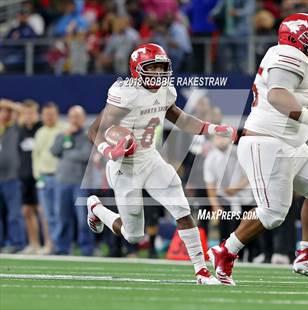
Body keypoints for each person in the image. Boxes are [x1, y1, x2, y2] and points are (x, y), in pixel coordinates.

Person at [87, 43, 236, 284]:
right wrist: (109, 150)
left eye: (161, 68)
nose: (157, 74)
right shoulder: (125, 92)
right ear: (137, 70)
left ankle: (201, 271)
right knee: (133, 236)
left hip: (151, 157)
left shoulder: (166, 90)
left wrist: (211, 128)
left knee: (182, 210)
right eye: (151, 68)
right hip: (124, 165)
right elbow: (94, 130)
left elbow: (181, 119)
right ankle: (95, 208)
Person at [207, 13, 308, 285]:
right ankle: (224, 252)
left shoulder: (294, 58)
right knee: (273, 213)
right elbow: (277, 95)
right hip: (267, 142)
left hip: (290, 143)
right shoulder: (287, 54)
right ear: (294, 38)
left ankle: (307, 255)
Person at [50, 105, 95, 255]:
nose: (74, 120)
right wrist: (65, 137)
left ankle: (86, 249)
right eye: (72, 116)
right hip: (62, 181)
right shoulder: (62, 135)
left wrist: (67, 152)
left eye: (78, 116)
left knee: (83, 219)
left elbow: (84, 156)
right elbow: (54, 151)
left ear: (83, 119)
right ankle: (62, 248)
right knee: (62, 218)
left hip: (79, 183)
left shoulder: (87, 136)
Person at [32, 103, 65, 254]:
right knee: (47, 214)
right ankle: (51, 244)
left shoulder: (64, 130)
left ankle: (61, 245)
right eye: (46, 114)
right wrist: (37, 175)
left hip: (59, 177)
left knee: (60, 213)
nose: (49, 117)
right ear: (42, 116)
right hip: (44, 177)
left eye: (51, 114)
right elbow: (36, 156)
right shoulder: (39, 132)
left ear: (57, 115)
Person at [17, 100, 43, 254]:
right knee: (27, 211)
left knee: (42, 211)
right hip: (24, 176)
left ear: (36, 113)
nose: (28, 116)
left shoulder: (41, 129)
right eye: (25, 113)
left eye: (31, 112)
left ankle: (47, 244)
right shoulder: (21, 130)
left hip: (38, 176)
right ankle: (33, 244)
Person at [0, 99, 25, 253]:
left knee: (14, 214)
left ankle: (17, 243)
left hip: (12, 178)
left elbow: (22, 110)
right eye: (1, 111)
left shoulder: (15, 127)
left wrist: (6, 104)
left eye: (7, 112)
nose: (4, 114)